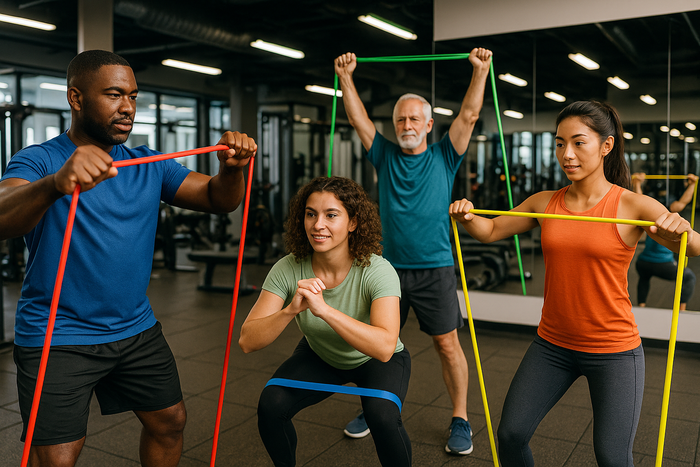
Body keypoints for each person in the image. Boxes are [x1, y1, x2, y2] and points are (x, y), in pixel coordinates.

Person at [0, 50, 256, 467]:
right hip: (59, 334)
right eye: (115, 94)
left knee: (170, 421)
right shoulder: (40, 159)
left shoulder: (145, 161)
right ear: (77, 98)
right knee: (59, 457)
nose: (128, 108)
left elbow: (216, 199)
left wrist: (231, 170)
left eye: (133, 96)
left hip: (135, 328)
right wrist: (55, 184)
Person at [449, 100, 700, 466]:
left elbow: (693, 247)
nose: (566, 154)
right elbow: (489, 230)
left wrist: (682, 227)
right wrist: (468, 216)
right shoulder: (544, 203)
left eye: (578, 142)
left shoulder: (632, 206)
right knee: (510, 434)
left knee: (612, 456)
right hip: (552, 345)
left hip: (614, 350)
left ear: (606, 146)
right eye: (559, 143)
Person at [333, 47, 493, 455]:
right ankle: (373, 409)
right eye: (400, 118)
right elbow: (357, 119)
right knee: (377, 345)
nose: (406, 125)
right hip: (385, 271)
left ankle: (461, 418)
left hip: (435, 268)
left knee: (447, 345)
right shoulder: (383, 155)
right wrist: (345, 77)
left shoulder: (444, 156)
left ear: (428, 125)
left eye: (414, 119)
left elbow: (469, 116)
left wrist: (480, 71)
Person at [239, 176, 411, 467]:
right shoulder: (288, 267)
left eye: (331, 215)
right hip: (321, 353)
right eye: (311, 214)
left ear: (353, 223)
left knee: (381, 415)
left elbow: (383, 347)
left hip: (377, 360)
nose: (318, 225)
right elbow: (247, 341)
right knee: (271, 404)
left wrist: (325, 311)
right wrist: (290, 310)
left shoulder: (376, 270)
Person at [632, 172, 697, 310]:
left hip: (642, 262)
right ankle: (682, 311)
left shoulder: (647, 214)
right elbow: (683, 202)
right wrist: (692, 185)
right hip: (663, 264)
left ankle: (642, 308)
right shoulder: (669, 212)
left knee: (644, 277)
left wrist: (637, 183)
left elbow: (639, 199)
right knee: (689, 277)